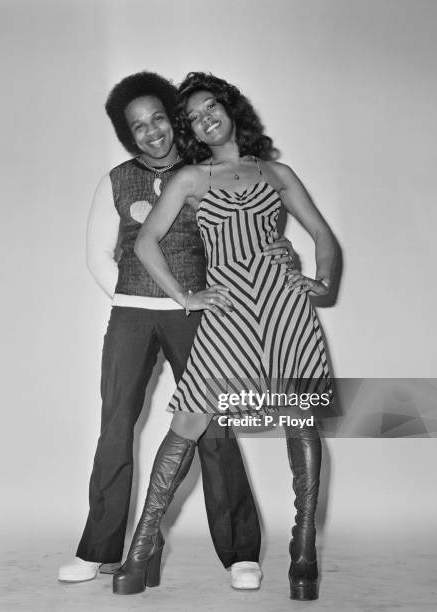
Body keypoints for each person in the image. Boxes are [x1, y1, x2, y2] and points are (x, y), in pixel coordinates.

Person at [58, 72, 295, 590]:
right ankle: (97, 549)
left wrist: (282, 254)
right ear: (129, 136)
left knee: (213, 424)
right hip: (131, 315)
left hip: (198, 318)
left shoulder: (204, 174)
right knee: (116, 427)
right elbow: (98, 252)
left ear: (174, 118)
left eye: (158, 118)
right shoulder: (117, 179)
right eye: (138, 127)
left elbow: (242, 236)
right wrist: (132, 298)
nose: (151, 132)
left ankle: (240, 553)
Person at [113, 72, 336, 600]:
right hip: (228, 311)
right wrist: (186, 297)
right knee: (189, 421)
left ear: (230, 108)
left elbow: (323, 235)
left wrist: (319, 283)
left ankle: (302, 552)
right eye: (191, 117)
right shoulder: (190, 178)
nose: (204, 119)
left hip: (284, 308)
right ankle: (140, 551)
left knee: (299, 422)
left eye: (210, 106)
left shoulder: (275, 171)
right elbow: (146, 244)